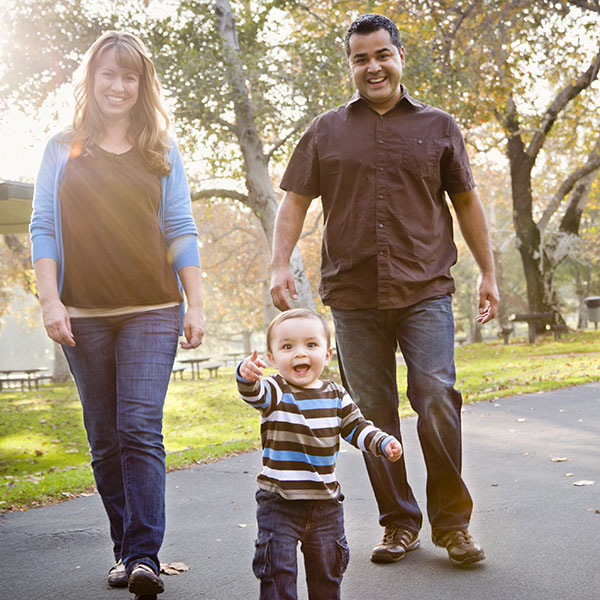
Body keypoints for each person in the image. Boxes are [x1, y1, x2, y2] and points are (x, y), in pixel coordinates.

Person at [270, 14, 499, 568]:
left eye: (381, 55)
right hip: (352, 296)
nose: (372, 66)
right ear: (350, 64)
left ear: (399, 57)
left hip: (425, 288)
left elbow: (466, 202)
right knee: (372, 415)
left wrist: (488, 273)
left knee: (437, 399)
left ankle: (453, 526)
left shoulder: (440, 126)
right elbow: (296, 200)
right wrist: (280, 262)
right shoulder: (326, 131)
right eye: (360, 58)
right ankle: (399, 523)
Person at [30, 31, 204, 599]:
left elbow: (179, 227)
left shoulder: (161, 149)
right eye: (109, 74)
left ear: (142, 85)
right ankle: (124, 549)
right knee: (104, 436)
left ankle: (144, 555)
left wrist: (195, 301)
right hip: (81, 313)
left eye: (130, 77)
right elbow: (44, 229)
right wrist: (51, 300)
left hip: (153, 308)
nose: (119, 86)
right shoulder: (62, 147)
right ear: (91, 78)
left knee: (138, 427)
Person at [236, 309, 403, 599]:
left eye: (310, 345)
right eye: (287, 346)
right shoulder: (276, 390)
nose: (300, 353)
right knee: (277, 571)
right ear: (273, 359)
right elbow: (254, 393)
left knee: (327, 573)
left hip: (325, 503)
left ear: (327, 354)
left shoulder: (336, 396)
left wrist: (382, 441)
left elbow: (357, 428)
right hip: (280, 502)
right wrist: (245, 375)